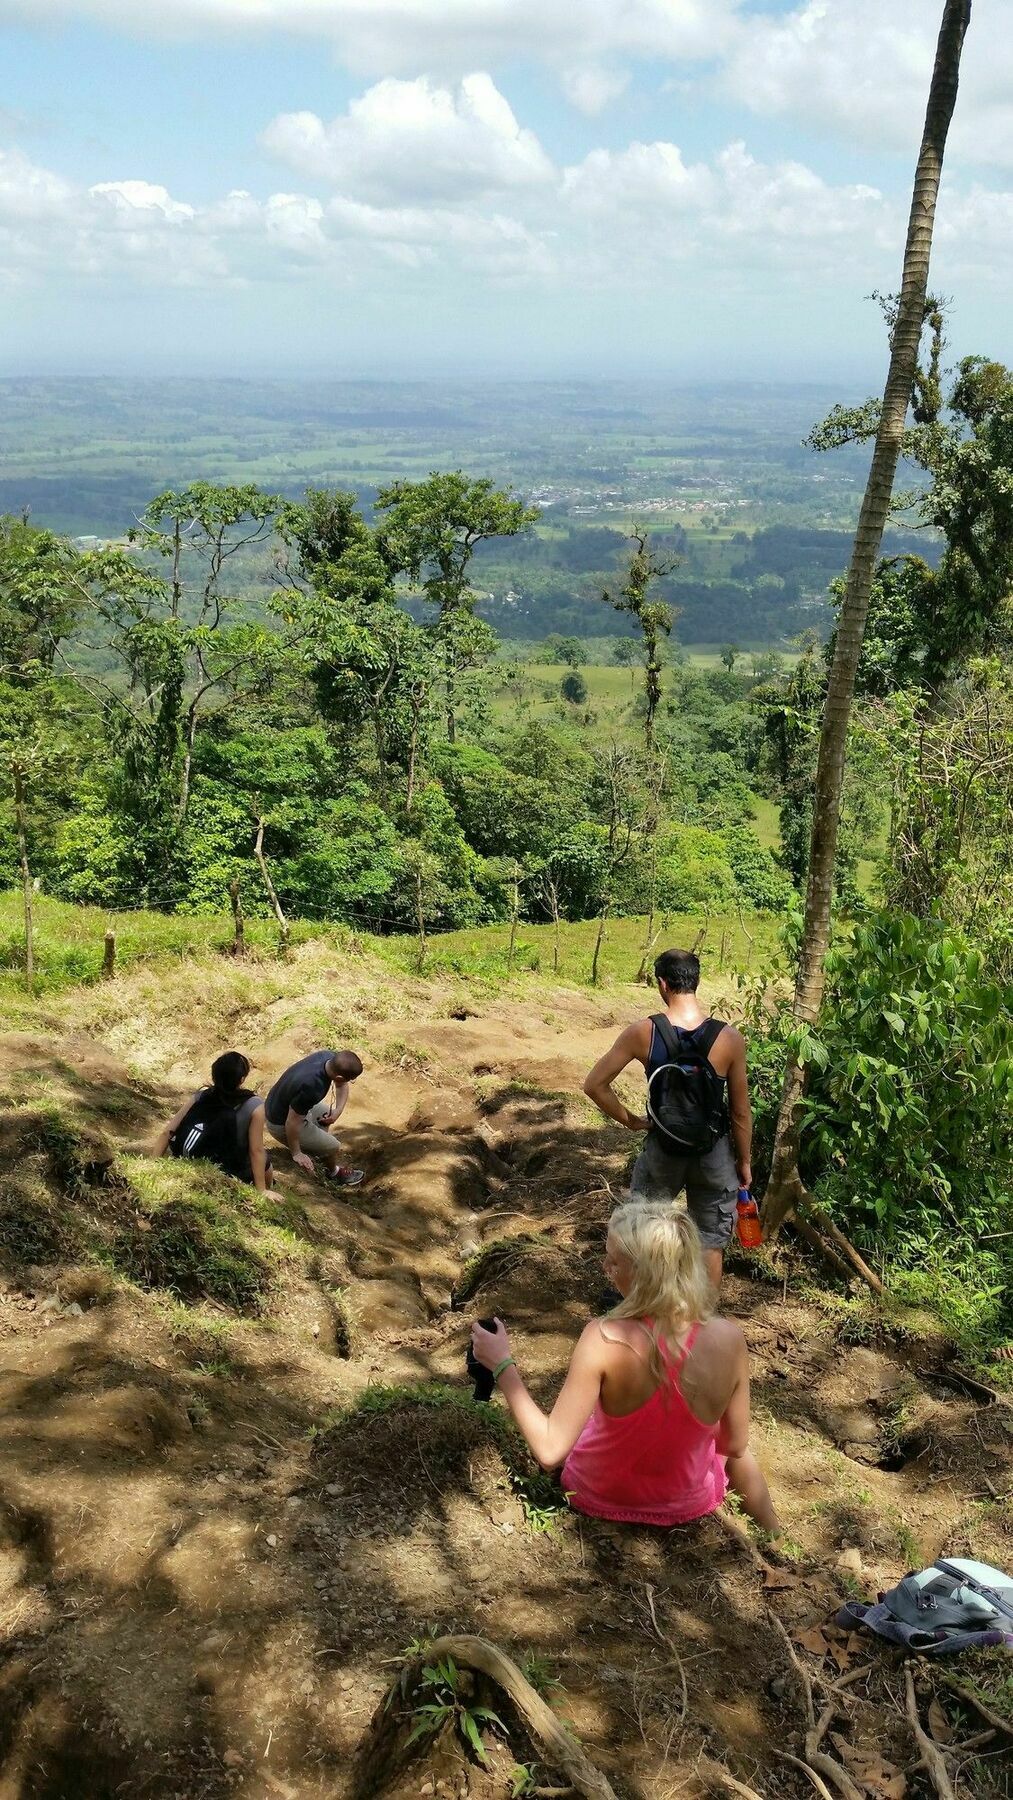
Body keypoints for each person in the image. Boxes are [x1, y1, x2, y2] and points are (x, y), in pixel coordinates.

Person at [470, 1200, 779, 1534]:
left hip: (595, 1495)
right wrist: (685, 1424)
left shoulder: (604, 1337)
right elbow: (732, 1445)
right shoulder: (730, 1339)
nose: (605, 1267)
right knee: (738, 1455)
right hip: (686, 1502)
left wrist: (501, 1363)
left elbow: (549, 1451)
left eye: (614, 1261)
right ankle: (776, 1539)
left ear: (645, 1275)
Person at [583, 947, 751, 1289]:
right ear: (697, 982)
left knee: (642, 1231)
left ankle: (640, 1314)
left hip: (662, 1148)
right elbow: (739, 1111)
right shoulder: (729, 1038)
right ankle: (701, 1327)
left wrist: (630, 1120)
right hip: (713, 1152)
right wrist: (744, 1161)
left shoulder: (644, 1032)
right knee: (709, 1240)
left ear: (662, 984)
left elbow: (595, 1085)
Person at [153, 1051, 271, 1193]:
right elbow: (256, 1150)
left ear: (214, 1075)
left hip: (187, 1156)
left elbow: (168, 1131)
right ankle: (265, 1191)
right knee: (267, 1164)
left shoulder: (201, 1095)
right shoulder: (255, 1105)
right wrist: (262, 1190)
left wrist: (153, 1164)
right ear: (241, 1079)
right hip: (224, 1167)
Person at [264, 1049, 364, 1186]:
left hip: (281, 1105)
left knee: (324, 1113)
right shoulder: (312, 1086)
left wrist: (338, 1110)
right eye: (351, 1079)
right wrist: (296, 1153)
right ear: (339, 1077)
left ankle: (317, 1150)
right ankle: (334, 1173)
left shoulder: (328, 1057)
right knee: (333, 1146)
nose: (350, 1082)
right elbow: (292, 1122)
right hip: (279, 1122)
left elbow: (341, 1084)